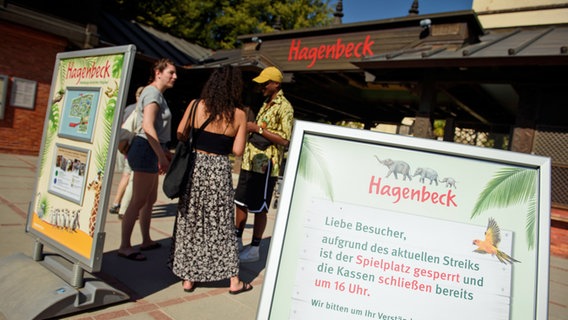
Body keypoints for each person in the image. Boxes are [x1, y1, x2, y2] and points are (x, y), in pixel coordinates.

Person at [169, 65, 252, 294]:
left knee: (192, 222)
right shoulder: (239, 114)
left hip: (195, 168)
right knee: (222, 224)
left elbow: (180, 132)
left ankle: (189, 278)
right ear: (235, 88)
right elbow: (237, 150)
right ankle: (233, 281)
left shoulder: (196, 105)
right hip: (219, 171)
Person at [117, 58, 176, 261]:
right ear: (158, 72)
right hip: (145, 149)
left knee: (148, 199)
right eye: (171, 72)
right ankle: (125, 245)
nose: (174, 77)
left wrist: (163, 151)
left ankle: (146, 239)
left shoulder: (156, 94)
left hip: (150, 149)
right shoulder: (152, 93)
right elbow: (148, 126)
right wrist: (161, 155)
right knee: (138, 200)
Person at [234, 66, 294, 263]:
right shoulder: (266, 103)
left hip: (266, 165)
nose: (261, 87)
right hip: (250, 162)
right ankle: (236, 241)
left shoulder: (284, 107)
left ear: (276, 84)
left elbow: (285, 139)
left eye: (265, 83)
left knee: (260, 207)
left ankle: (255, 248)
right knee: (241, 202)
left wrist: (257, 129)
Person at [110, 86, 144, 218]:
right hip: (133, 145)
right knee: (131, 178)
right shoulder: (139, 111)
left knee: (126, 175)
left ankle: (116, 203)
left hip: (126, 147)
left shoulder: (128, 108)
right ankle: (124, 209)